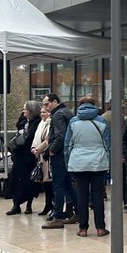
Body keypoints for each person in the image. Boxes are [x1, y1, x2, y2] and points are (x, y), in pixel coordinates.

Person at [64, 97, 109, 237]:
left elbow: (67, 145)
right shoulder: (101, 121)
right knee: (98, 195)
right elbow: (107, 144)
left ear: (80, 106)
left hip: (78, 162)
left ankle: (83, 229)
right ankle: (100, 228)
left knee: (82, 195)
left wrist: (68, 163)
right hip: (98, 161)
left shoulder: (73, 122)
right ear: (94, 105)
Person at [42, 93, 77, 227]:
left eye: (47, 104)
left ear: (54, 101)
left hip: (59, 154)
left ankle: (57, 217)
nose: (46, 107)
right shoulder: (67, 112)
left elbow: (60, 136)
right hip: (67, 153)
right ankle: (78, 212)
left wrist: (52, 150)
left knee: (58, 185)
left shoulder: (57, 115)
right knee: (67, 184)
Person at [7, 102, 40, 217]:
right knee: (14, 180)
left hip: (29, 156)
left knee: (28, 181)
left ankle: (29, 205)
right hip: (19, 156)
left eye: (25, 109)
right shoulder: (23, 122)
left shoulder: (37, 123)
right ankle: (16, 204)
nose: (23, 111)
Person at [30, 104, 53, 216]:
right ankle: (47, 205)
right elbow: (36, 138)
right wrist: (34, 148)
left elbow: (47, 140)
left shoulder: (50, 124)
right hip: (39, 156)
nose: (42, 114)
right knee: (45, 182)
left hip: (46, 156)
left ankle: (50, 205)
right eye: (41, 112)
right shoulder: (41, 123)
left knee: (49, 182)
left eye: (44, 112)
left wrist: (38, 149)